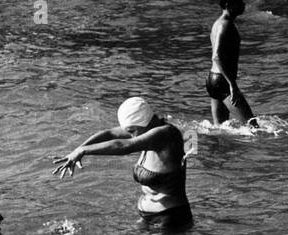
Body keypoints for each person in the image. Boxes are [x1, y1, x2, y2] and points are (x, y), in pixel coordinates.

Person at [52, 96, 192, 227]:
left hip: (170, 218)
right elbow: (110, 134)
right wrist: (78, 150)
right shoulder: (145, 129)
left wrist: (84, 151)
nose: (131, 135)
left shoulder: (166, 134)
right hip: (148, 216)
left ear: (144, 121)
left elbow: (124, 146)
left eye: (132, 131)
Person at [209, 0, 257, 127]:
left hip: (213, 80)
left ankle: (221, 149)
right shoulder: (225, 25)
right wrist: (232, 85)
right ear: (229, 4)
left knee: (220, 128)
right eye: (240, 1)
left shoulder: (217, 23)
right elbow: (216, 56)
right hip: (222, 82)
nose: (243, 4)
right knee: (252, 126)